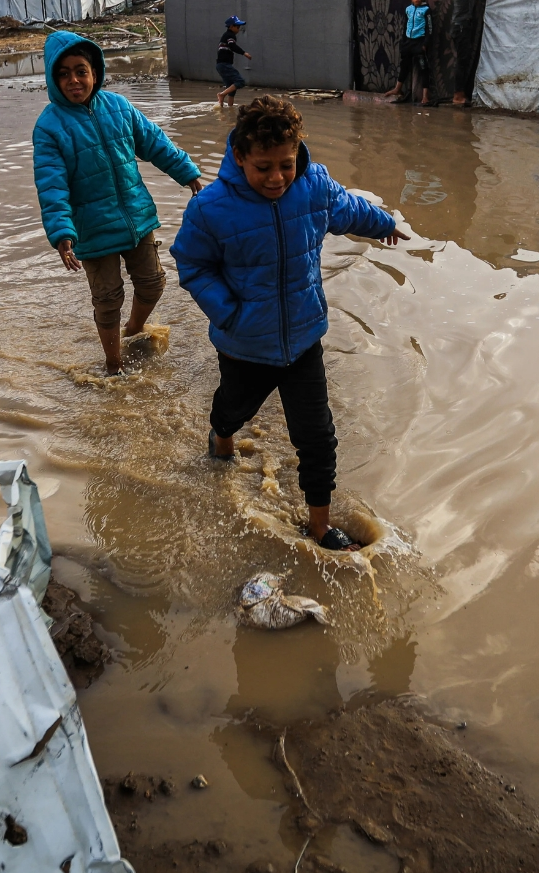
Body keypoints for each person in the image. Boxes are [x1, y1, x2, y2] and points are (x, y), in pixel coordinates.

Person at [170, 97, 405, 550]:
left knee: (317, 436)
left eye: (286, 164)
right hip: (244, 345)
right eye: (263, 167)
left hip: (303, 340)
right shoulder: (210, 208)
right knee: (231, 411)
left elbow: (347, 209)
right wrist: (230, 314)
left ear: (298, 153)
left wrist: (383, 223)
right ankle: (221, 436)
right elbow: (193, 265)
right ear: (239, 156)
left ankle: (319, 525)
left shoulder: (313, 185)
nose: (277, 177)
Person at [34, 30, 204, 375]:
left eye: (81, 70)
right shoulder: (49, 127)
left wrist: (188, 174)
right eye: (63, 73)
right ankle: (114, 365)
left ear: (95, 71)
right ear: (54, 79)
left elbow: (156, 143)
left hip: (137, 217)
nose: (74, 80)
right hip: (92, 230)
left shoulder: (119, 107)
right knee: (108, 299)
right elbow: (51, 186)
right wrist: (62, 232)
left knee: (153, 283)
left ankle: (134, 330)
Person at [382, 0, 429, 105]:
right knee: (404, 66)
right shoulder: (408, 9)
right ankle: (397, 89)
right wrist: (403, 41)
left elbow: (430, 28)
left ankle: (425, 96)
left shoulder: (426, 10)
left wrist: (425, 44)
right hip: (408, 42)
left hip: (419, 42)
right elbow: (406, 26)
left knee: (423, 69)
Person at [216, 16, 251, 106]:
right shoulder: (230, 35)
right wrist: (244, 53)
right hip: (224, 65)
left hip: (221, 65)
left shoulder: (226, 36)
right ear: (231, 26)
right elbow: (232, 46)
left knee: (231, 89)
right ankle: (222, 94)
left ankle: (228, 109)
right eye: (237, 27)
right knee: (240, 82)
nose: (238, 29)